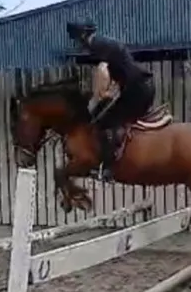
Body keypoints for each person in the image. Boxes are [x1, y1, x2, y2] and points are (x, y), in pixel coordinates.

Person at [66, 21, 155, 181]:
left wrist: (98, 96)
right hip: (140, 86)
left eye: (77, 39)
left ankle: (109, 167)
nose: (78, 44)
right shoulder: (104, 42)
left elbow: (102, 70)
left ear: (83, 36)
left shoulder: (97, 45)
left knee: (105, 122)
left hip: (138, 90)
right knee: (107, 114)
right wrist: (108, 93)